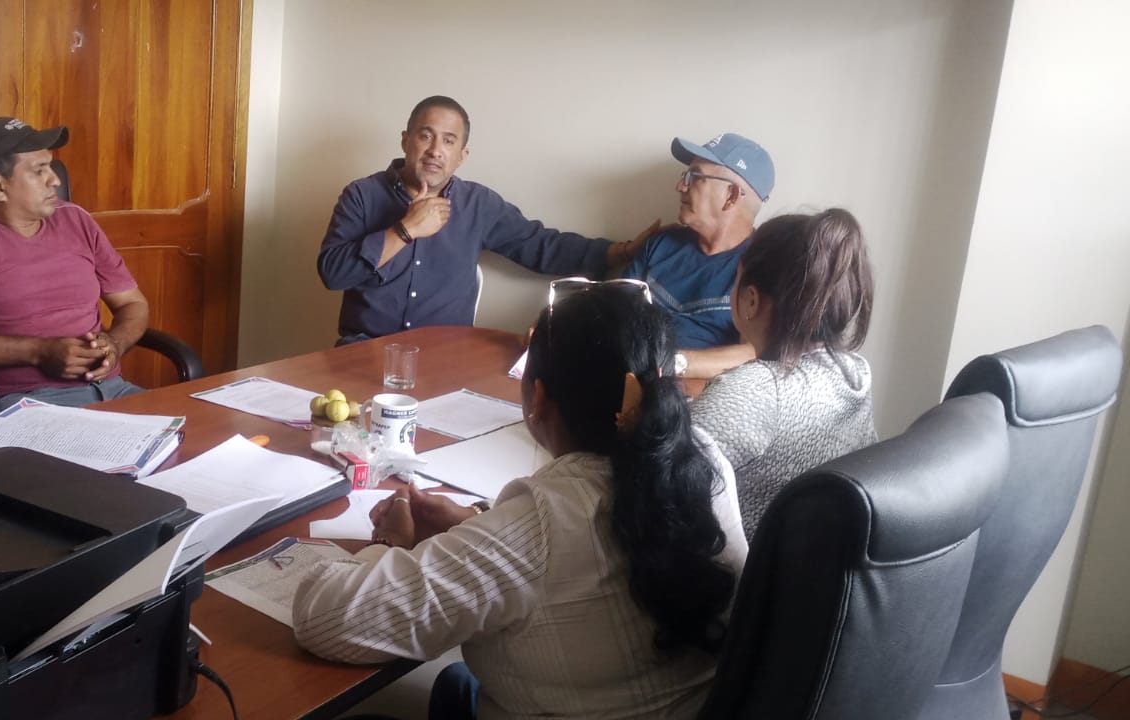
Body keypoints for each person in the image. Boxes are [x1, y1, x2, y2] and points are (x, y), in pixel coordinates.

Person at [293, 282, 748, 719]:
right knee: (455, 685)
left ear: (538, 397)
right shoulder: (704, 460)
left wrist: (391, 544)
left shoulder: (540, 523)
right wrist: (477, 521)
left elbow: (324, 619)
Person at [317, 95, 645, 344]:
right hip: (365, 350)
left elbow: (540, 244)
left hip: (444, 358)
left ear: (462, 156)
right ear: (406, 140)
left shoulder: (478, 204)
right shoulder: (361, 195)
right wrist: (405, 229)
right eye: (426, 136)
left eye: (449, 141)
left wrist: (621, 252)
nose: (435, 150)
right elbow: (333, 274)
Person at [0, 117, 151, 409]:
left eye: (51, 166)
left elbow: (132, 303)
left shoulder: (76, 219)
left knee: (193, 428)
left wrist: (115, 343)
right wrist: (39, 351)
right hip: (27, 402)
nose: (55, 180)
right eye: (39, 171)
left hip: (113, 389)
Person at [689, 208, 877, 541]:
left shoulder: (756, 392)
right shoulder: (854, 373)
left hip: (737, 572)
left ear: (750, 301)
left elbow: (656, 484)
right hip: (809, 565)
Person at [623, 132, 775, 380]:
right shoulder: (659, 244)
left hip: (696, 396)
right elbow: (616, 310)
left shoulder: (764, 269)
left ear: (731, 196)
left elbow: (756, 351)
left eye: (694, 177)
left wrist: (673, 363)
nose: (680, 186)